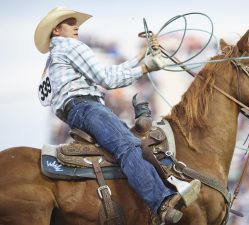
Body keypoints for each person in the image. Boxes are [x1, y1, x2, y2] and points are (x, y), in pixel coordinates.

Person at [34, 6, 200, 224]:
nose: (76, 28)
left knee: (126, 146)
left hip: (75, 109)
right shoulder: (71, 46)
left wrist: (142, 58)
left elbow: (108, 73)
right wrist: (144, 69)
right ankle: (162, 202)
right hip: (86, 106)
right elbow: (107, 80)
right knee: (128, 147)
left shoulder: (57, 53)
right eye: (71, 23)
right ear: (57, 30)